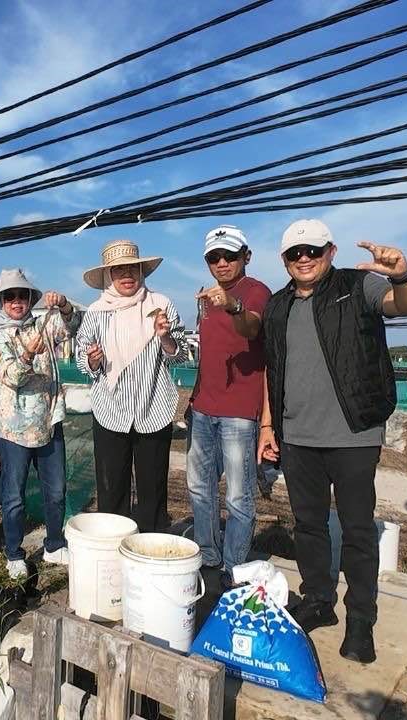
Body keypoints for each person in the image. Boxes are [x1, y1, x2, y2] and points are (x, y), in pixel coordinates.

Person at [257, 218, 407, 665]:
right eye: (296, 253)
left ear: (329, 250)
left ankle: (361, 619)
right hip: (297, 437)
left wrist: (403, 275)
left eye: (313, 250)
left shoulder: (359, 286)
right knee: (308, 525)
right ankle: (317, 601)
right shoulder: (277, 307)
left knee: (357, 530)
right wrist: (268, 428)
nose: (305, 258)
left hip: (354, 434)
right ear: (285, 261)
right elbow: (273, 371)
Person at [75, 239, 188, 533]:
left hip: (154, 408)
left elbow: (181, 356)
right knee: (112, 492)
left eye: (132, 269)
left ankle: (149, 548)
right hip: (110, 411)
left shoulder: (160, 306)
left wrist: (165, 337)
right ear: (108, 276)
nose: (127, 275)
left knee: (153, 491)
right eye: (119, 270)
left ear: (142, 272)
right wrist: (93, 360)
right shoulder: (96, 312)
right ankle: (113, 553)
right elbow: (81, 361)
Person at [186, 225, 271, 582]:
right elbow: (209, 352)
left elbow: (251, 327)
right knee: (199, 487)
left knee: (238, 496)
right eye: (214, 257)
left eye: (229, 255)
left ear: (245, 257)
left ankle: (234, 567)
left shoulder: (256, 292)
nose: (221, 263)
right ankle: (208, 555)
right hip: (203, 408)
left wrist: (232, 304)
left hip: (240, 414)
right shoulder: (204, 298)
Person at [0, 269, 80, 579]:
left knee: (56, 490)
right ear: (0, 301)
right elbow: (11, 375)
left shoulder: (44, 323)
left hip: (48, 422)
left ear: (30, 299)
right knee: (13, 494)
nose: (16, 301)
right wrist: (28, 352)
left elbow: (72, 325)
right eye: (9, 296)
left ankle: (54, 544)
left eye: (22, 295)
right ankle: (13, 552)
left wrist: (64, 305)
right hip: (13, 429)